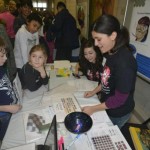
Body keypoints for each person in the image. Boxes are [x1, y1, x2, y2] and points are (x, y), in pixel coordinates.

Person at [82, 14, 137, 129]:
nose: (96, 44)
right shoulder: (110, 52)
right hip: (108, 105)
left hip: (119, 112)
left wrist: (93, 109)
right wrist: (93, 92)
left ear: (113, 35)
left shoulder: (124, 62)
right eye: (94, 39)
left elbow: (119, 99)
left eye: (99, 39)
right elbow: (106, 78)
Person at [0, 36, 22, 141]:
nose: (5, 58)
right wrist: (8, 108)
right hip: (4, 114)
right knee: (6, 138)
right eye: (1, 55)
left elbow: (7, 86)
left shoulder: (1, 68)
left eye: (5, 55)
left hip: (12, 109)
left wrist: (18, 94)